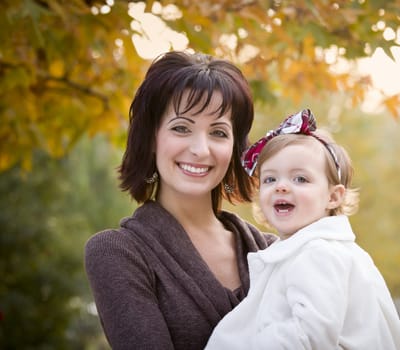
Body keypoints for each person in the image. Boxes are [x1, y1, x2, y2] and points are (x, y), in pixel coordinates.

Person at [84, 51, 277, 350]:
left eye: (218, 132)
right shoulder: (118, 253)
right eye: (181, 128)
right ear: (151, 138)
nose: (200, 149)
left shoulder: (276, 253)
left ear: (234, 148)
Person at [205, 109, 400, 349]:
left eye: (300, 179)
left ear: (333, 197)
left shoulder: (318, 254)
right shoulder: (309, 249)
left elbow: (311, 335)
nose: (281, 187)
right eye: (270, 179)